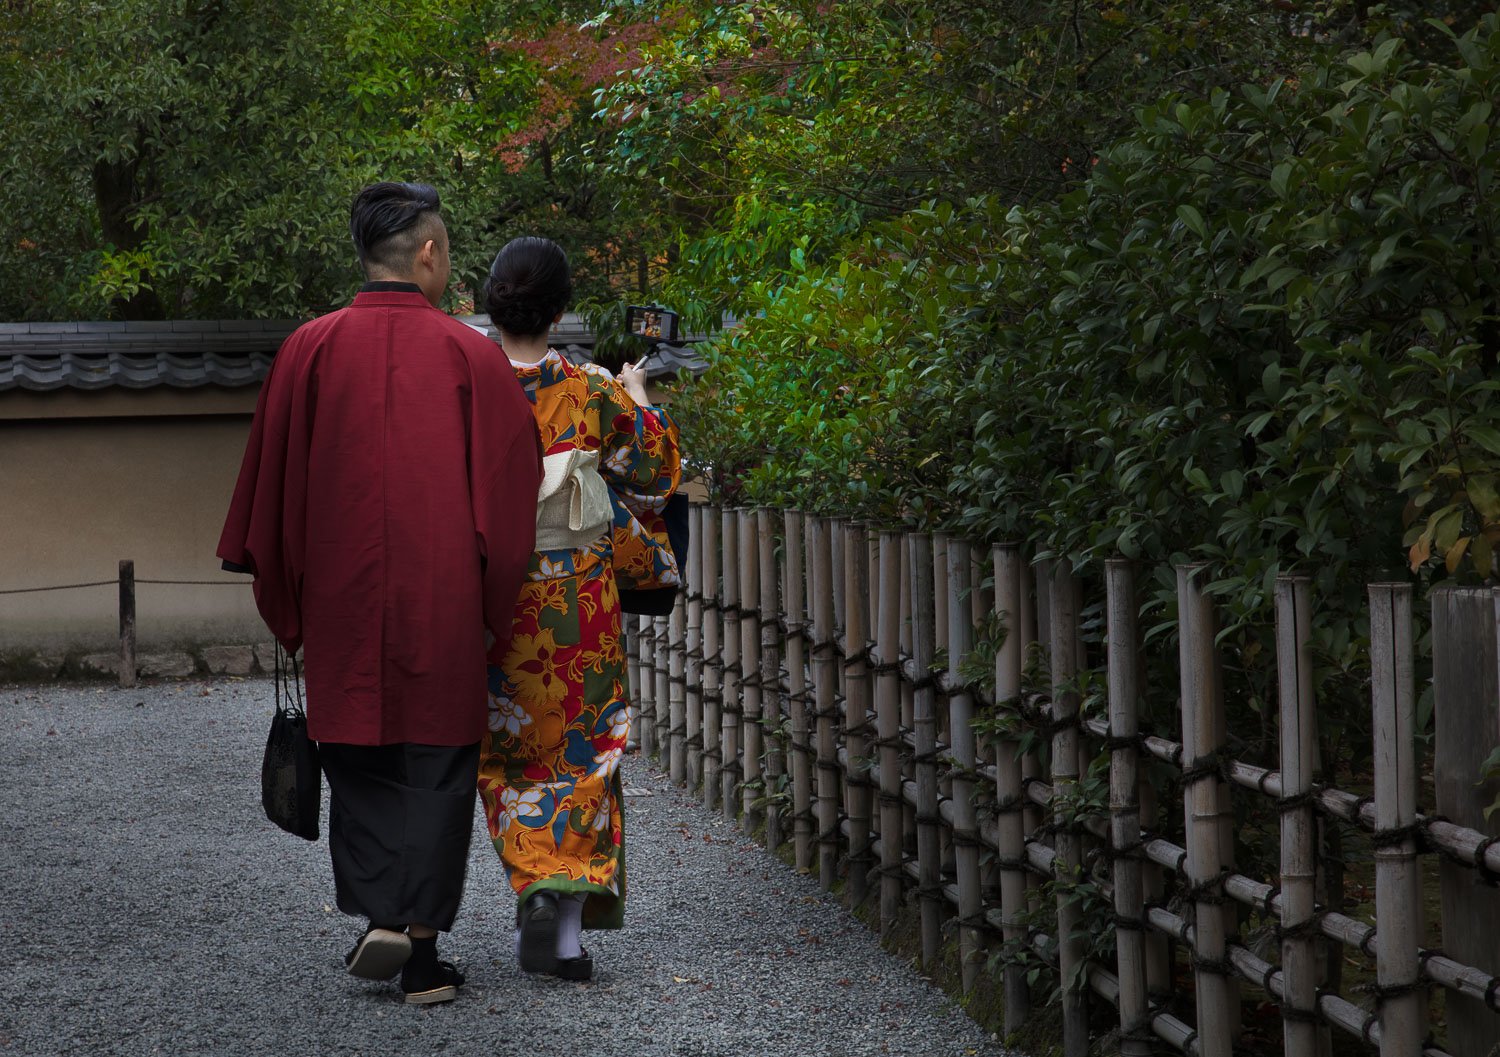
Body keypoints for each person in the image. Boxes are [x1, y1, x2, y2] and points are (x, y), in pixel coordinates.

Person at [216, 182, 543, 1005]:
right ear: (428, 253)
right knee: (437, 764)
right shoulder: (474, 358)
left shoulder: (309, 349)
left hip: (342, 594)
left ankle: (377, 917)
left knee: (358, 755)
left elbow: (272, 491)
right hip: (441, 600)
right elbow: (509, 502)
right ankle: (423, 954)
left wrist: (292, 601)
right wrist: (491, 610)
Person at [477, 237, 681, 981]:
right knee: (585, 752)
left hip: (493, 589)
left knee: (504, 750)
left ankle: (532, 880)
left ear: (490, 300)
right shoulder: (590, 386)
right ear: (560, 310)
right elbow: (655, 474)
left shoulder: (465, 382)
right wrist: (640, 397)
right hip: (578, 592)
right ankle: (564, 939)